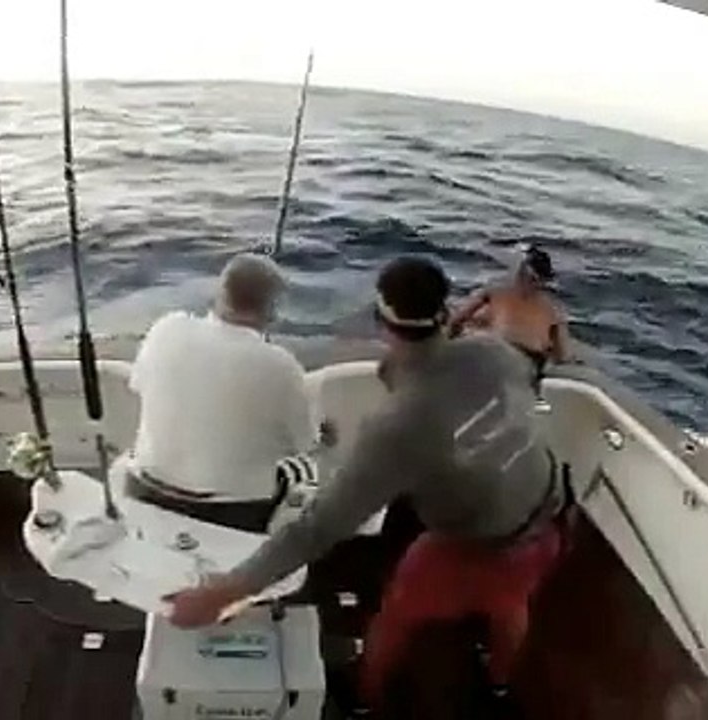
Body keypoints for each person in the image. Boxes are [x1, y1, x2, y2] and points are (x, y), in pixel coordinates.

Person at [165, 256, 568, 714]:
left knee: (399, 611)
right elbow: (513, 388)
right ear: (446, 311)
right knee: (511, 601)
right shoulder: (496, 353)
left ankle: (365, 697)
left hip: (479, 547)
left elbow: (318, 528)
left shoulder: (396, 426)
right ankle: (500, 685)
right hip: (551, 514)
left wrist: (221, 593)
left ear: (381, 319)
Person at [123, 252, 325, 533]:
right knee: (308, 468)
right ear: (272, 310)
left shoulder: (165, 329)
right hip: (232, 513)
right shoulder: (282, 366)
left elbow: (137, 385)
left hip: (144, 490)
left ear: (220, 292)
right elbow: (305, 444)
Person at [449, 245, 570, 381]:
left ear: (519, 271)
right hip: (528, 363)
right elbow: (561, 356)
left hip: (497, 354)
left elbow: (456, 321)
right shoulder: (554, 309)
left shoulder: (494, 291)